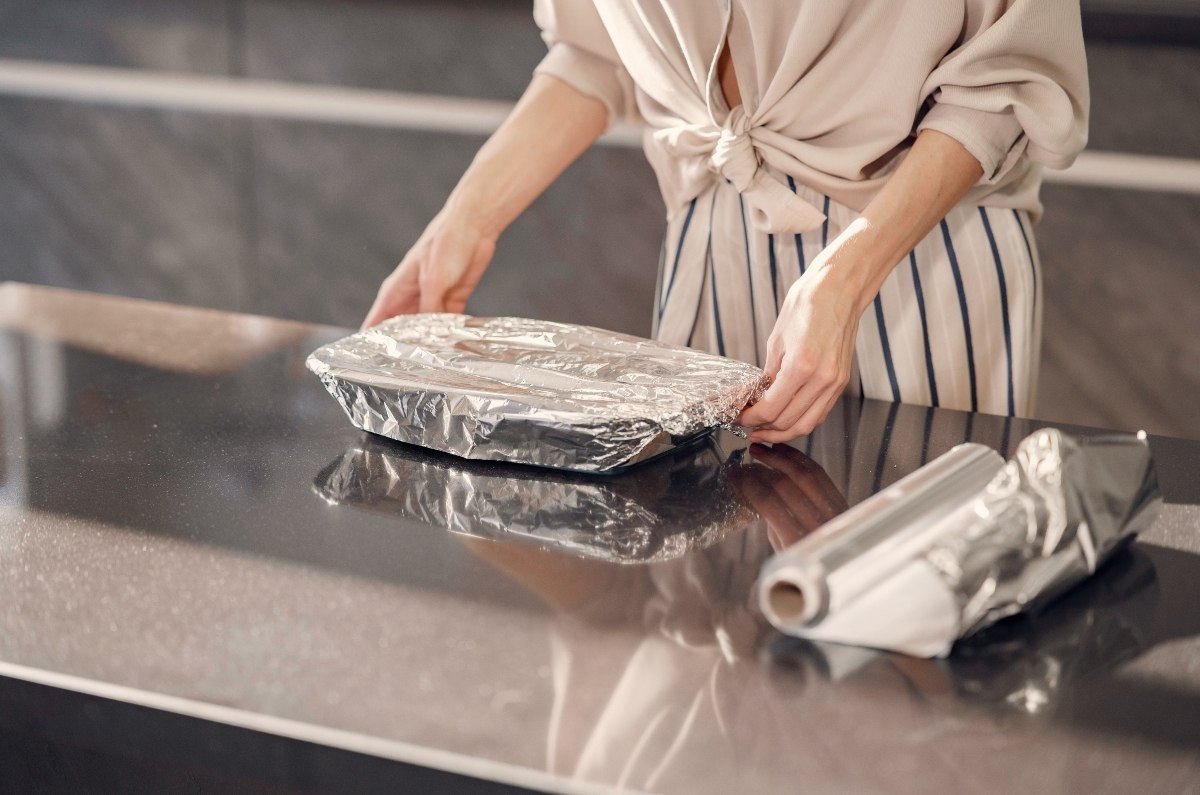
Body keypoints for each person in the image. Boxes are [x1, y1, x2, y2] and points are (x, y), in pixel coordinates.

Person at [363, 1, 1088, 443]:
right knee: (704, 630)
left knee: (911, 624)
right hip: (712, 240)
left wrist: (842, 280)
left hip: (918, 251)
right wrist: (464, 222)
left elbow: (998, 89)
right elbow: (597, 51)